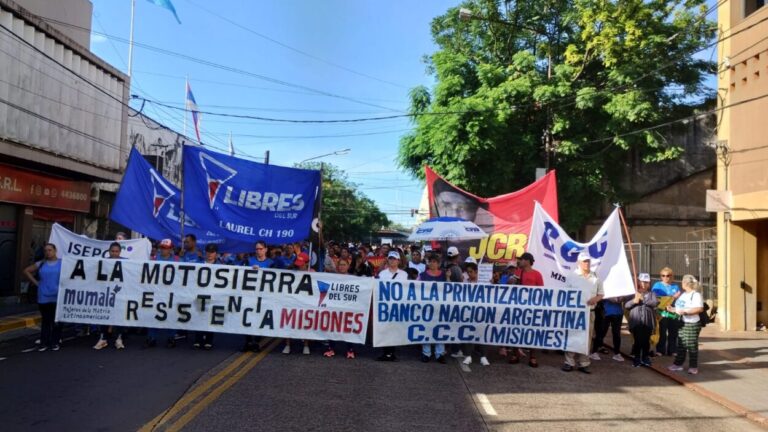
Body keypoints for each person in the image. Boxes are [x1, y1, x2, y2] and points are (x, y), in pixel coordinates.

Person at [562, 251, 604, 374]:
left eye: (588, 261)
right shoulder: (571, 276)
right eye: (584, 261)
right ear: (579, 263)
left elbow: (601, 294)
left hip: (590, 312)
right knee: (572, 336)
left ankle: (584, 363)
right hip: (575, 312)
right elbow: (566, 294)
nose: (587, 263)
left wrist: (594, 299)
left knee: (587, 338)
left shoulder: (596, 277)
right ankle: (569, 362)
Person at [506, 252, 544, 367]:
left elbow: (542, 291)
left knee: (532, 332)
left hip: (532, 308)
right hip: (518, 307)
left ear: (528, 261)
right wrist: (511, 281)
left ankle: (532, 356)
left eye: (522, 259)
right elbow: (508, 285)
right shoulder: (517, 272)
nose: (520, 261)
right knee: (516, 330)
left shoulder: (537, 274)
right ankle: (515, 354)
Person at [24, 243, 63, 352]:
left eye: (50, 250)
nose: (48, 252)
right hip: (43, 295)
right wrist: (36, 283)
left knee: (56, 320)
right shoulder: (41, 263)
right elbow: (26, 271)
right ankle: (44, 342)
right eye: (46, 250)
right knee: (46, 320)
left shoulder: (62, 263)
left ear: (55, 251)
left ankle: (55, 342)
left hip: (57, 296)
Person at [667, 275, 705, 375]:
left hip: (692, 323)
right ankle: (678, 364)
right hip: (682, 322)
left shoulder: (696, 295)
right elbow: (680, 308)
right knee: (681, 344)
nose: (681, 284)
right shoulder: (684, 295)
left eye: (683, 282)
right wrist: (673, 309)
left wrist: (687, 313)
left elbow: (699, 308)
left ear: (685, 283)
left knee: (691, 345)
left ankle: (693, 366)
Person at [376, 251, 409, 362]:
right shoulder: (382, 274)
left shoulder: (404, 274)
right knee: (385, 329)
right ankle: (386, 352)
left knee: (394, 330)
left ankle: (391, 352)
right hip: (385, 306)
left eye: (394, 259)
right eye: (390, 258)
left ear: (398, 261)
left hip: (397, 306)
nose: (392, 260)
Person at [93, 242, 126, 350]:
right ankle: (103, 338)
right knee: (104, 315)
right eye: (112, 251)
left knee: (120, 316)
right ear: (109, 251)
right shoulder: (103, 262)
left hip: (120, 294)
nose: (114, 253)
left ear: (120, 252)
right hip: (105, 293)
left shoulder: (126, 263)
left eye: (117, 251)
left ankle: (119, 339)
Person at [148, 239, 179, 348]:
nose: (163, 250)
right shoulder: (153, 259)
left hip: (171, 292)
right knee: (153, 313)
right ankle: (152, 337)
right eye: (162, 247)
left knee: (171, 314)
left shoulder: (177, 260)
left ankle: (171, 337)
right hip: (157, 291)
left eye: (166, 248)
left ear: (171, 249)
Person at [418, 252, 448, 363]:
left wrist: (448, 278)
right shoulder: (422, 275)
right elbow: (416, 288)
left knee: (440, 329)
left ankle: (439, 353)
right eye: (430, 261)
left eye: (434, 262)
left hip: (440, 307)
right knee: (426, 328)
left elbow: (449, 289)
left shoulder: (444, 275)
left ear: (439, 264)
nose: (432, 263)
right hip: (426, 307)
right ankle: (426, 353)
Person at [625, 273, 659, 367]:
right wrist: (634, 301)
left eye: (646, 282)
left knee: (646, 341)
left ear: (649, 283)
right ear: (638, 282)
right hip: (636, 321)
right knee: (638, 340)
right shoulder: (633, 294)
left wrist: (643, 299)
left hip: (648, 321)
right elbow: (627, 305)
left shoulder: (652, 294)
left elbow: (654, 303)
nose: (644, 284)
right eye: (642, 282)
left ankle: (645, 357)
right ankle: (636, 358)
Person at [460, 262, 490, 366]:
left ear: (477, 272)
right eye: (467, 272)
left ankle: (483, 356)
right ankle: (468, 356)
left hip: (482, 312)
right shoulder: (465, 282)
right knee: (468, 333)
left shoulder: (485, 282)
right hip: (469, 312)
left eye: (471, 272)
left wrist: (492, 283)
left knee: (482, 333)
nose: (469, 274)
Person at [282, 253, 312, 355]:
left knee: (306, 323)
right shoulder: (292, 272)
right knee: (289, 321)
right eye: (298, 264)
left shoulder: (313, 273)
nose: (299, 266)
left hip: (307, 302)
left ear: (307, 264)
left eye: (302, 264)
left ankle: (306, 345)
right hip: (293, 301)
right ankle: (288, 345)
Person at [592, 291, 631, 362]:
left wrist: (622, 297)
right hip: (605, 312)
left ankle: (617, 353)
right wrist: (609, 296)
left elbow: (626, 297)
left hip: (618, 312)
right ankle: (594, 351)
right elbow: (599, 296)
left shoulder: (620, 286)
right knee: (601, 333)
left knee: (616, 333)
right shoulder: (604, 285)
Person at [194, 243, 220, 350]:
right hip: (200, 293)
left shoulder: (220, 265)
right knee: (199, 316)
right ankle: (198, 339)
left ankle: (209, 339)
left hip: (213, 294)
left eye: (212, 252)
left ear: (216, 254)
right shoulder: (199, 264)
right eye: (208, 252)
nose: (210, 254)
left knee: (211, 316)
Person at [652, 267, 681, 356]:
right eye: (663, 275)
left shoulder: (675, 286)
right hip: (662, 312)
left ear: (671, 276)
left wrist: (673, 298)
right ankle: (660, 350)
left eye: (668, 275)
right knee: (662, 331)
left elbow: (679, 299)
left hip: (673, 311)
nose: (665, 277)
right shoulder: (657, 285)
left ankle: (672, 350)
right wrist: (672, 297)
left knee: (673, 331)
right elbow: (656, 297)